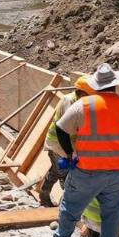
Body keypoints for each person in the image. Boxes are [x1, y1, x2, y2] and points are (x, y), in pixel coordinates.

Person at [50, 63, 119, 237]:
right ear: (116, 85)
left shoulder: (85, 104)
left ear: (96, 86)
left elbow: (61, 128)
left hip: (88, 169)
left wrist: (70, 154)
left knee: (71, 206)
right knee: (112, 215)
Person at [38, 76, 95, 207]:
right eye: (89, 95)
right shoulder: (69, 101)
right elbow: (67, 128)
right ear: (81, 92)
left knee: (57, 170)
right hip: (58, 143)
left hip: (68, 144)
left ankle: (44, 194)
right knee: (64, 171)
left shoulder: (81, 102)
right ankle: (63, 202)